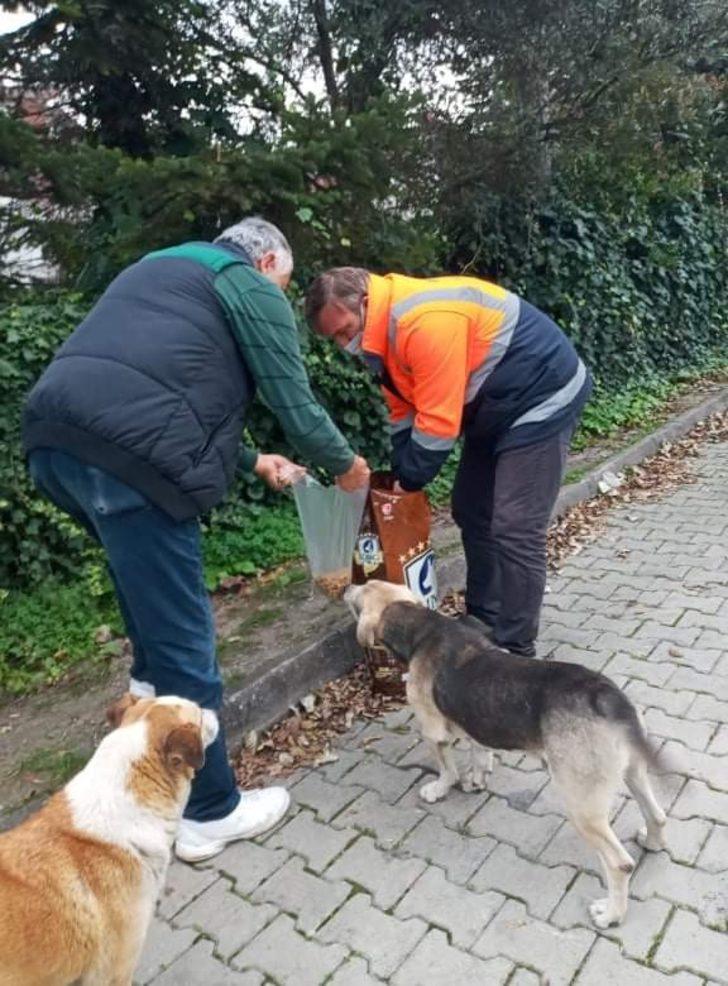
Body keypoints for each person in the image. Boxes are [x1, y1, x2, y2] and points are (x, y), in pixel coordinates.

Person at [22, 218, 370, 862]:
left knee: (147, 610)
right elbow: (291, 398)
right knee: (185, 639)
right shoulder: (249, 283)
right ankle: (210, 811)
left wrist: (251, 460)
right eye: (284, 283)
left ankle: (140, 757)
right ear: (268, 261)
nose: (279, 291)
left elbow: (155, 394)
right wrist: (347, 466)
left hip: (53, 443)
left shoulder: (160, 264)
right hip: (130, 461)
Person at [305, 266, 592, 658]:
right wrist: (401, 470)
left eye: (344, 330)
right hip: (494, 407)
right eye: (334, 338)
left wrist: (410, 479)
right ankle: (484, 616)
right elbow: (403, 410)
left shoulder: (425, 323)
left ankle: (515, 648)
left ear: (366, 303)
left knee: (515, 525)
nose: (343, 344)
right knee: (472, 509)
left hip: (541, 395)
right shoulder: (382, 337)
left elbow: (438, 425)